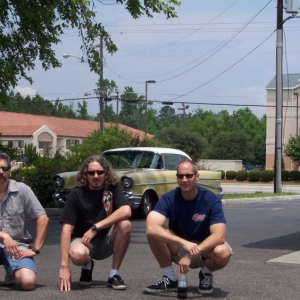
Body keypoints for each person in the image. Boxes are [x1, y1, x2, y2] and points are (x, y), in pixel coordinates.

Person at [145, 159, 232, 295]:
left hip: (205, 248)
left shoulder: (211, 199)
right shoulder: (169, 198)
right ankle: (170, 278)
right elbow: (151, 227)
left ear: (197, 177)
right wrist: (183, 243)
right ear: (177, 178)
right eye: (180, 176)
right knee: (154, 232)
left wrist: (190, 255)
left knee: (223, 251)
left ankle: (206, 274)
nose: (184, 179)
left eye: (188, 176)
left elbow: (219, 236)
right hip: (179, 246)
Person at [59, 155, 132, 292]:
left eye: (100, 172)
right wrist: (64, 267)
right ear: (85, 175)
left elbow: (126, 210)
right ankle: (87, 266)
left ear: (106, 172)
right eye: (91, 173)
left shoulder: (113, 188)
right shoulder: (76, 194)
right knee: (78, 255)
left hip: (106, 240)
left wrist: (95, 227)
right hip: (84, 242)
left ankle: (114, 274)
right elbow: (66, 230)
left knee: (125, 224)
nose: (96, 176)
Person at [0, 152, 49, 290]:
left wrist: (36, 248)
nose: (0, 172)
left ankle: (12, 270)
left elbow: (43, 218)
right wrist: (4, 236)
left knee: (27, 283)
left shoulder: (22, 190)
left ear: (9, 170)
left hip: (17, 246)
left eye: (4, 168)